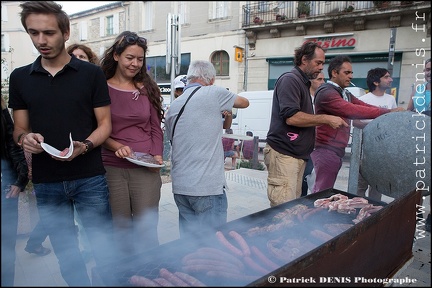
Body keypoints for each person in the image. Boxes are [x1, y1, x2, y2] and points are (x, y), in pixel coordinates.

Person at [8, 2, 114, 286]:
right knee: (67, 253)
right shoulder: (19, 77)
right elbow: (19, 128)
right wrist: (24, 138)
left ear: (65, 32)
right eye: (33, 33)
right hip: (46, 182)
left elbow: (105, 125)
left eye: (49, 32)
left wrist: (86, 146)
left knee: (105, 249)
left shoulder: (91, 74)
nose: (41, 41)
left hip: (90, 177)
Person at [165, 60, 249, 238]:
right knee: (213, 246)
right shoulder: (213, 92)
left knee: (189, 245)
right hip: (206, 188)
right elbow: (244, 102)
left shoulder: (174, 105)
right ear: (211, 79)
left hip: (181, 187)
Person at [100, 31, 164, 258]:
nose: (135, 64)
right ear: (116, 56)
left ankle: (153, 273)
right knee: (121, 230)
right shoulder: (101, 87)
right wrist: (115, 145)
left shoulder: (147, 89)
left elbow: (156, 127)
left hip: (145, 167)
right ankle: (126, 276)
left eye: (139, 59)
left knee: (147, 230)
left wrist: (156, 155)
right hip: (111, 168)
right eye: (130, 57)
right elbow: (95, 129)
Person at [265, 41, 348, 207]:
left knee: (292, 208)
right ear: (304, 60)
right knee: (283, 210)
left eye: (322, 64)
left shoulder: (303, 83)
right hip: (284, 155)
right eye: (318, 63)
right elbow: (292, 117)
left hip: (295, 157)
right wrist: (326, 118)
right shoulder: (290, 80)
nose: (320, 68)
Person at [311, 56, 405, 194]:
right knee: (321, 192)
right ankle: (313, 215)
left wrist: (387, 112)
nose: (351, 76)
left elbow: (362, 105)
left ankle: (316, 213)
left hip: (334, 150)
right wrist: (388, 111)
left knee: (324, 191)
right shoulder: (326, 92)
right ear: (334, 73)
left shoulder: (344, 92)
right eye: (347, 73)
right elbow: (353, 110)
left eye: (351, 73)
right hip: (326, 150)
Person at [352, 68, 399, 202]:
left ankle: (374, 215)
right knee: (360, 186)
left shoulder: (390, 99)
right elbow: (355, 122)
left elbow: (393, 121)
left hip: (383, 152)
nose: (390, 80)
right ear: (376, 82)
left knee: (377, 187)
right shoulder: (363, 99)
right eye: (386, 77)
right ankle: (356, 211)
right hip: (364, 152)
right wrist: (374, 127)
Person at [1, 96, 29, 287]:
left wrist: (20, 179)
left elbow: (12, 145)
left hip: (5, 189)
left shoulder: (1, 108)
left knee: (6, 251)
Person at [301, 72, 325, 196]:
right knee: (303, 180)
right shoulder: (305, 99)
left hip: (320, 147)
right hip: (307, 146)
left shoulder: (323, 99)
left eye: (323, 79)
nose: (323, 82)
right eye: (319, 79)